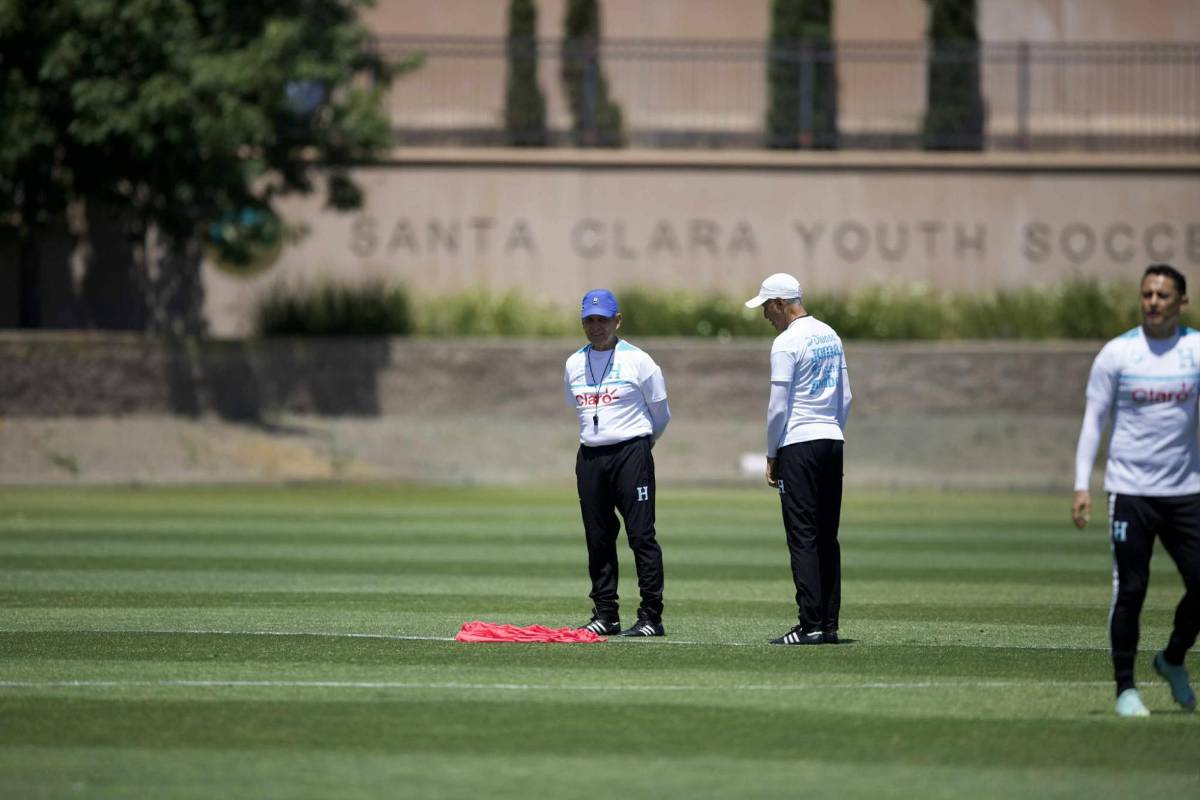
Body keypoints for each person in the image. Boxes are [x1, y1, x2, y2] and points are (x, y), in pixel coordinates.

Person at [1073, 263, 1200, 717]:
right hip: (1130, 491)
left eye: (1163, 295)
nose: (1153, 302)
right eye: (1147, 294)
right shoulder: (1118, 354)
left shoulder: (1195, 350)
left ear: (1182, 302)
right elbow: (1094, 420)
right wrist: (1081, 485)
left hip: (1185, 491)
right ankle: (1125, 688)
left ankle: (1172, 658)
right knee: (1131, 589)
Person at [745, 272, 852, 645]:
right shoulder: (830, 334)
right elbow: (846, 397)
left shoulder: (786, 342)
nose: (765, 315)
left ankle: (810, 624)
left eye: (766, 307)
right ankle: (829, 624)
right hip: (832, 440)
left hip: (799, 444)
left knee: (802, 536)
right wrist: (831, 430)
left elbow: (778, 407)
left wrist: (772, 453)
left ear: (780, 304)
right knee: (827, 536)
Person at [567, 289, 671, 637]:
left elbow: (661, 413)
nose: (596, 326)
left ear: (617, 320)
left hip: (631, 454)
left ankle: (651, 617)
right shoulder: (573, 364)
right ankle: (606, 614)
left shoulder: (639, 361)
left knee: (641, 536)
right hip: (590, 457)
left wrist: (642, 444)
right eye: (590, 320)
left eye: (603, 319)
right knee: (598, 537)